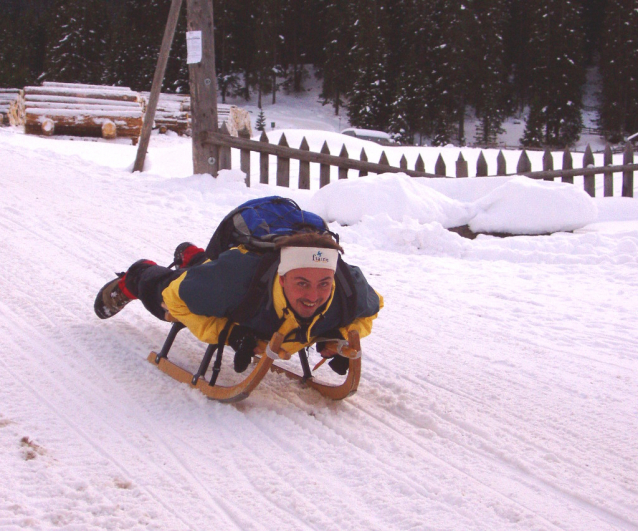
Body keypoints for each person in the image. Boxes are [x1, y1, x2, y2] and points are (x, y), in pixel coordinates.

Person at [95, 232, 383, 374]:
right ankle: (136, 276)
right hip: (231, 275)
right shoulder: (237, 281)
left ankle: (195, 257)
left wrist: (339, 334)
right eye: (302, 284)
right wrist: (230, 333)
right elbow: (175, 300)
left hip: (223, 275)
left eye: (323, 284)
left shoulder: (350, 289)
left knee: (211, 280)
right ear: (282, 280)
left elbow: (375, 306)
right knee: (165, 296)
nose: (313, 296)